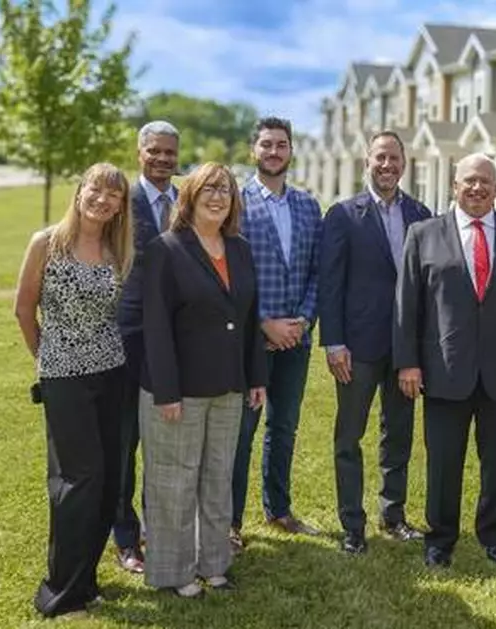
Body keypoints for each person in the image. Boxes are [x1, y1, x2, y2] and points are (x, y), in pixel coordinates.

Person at [394, 153, 496, 569]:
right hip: (445, 370)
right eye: (468, 182)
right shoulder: (423, 234)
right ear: (454, 187)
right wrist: (407, 363)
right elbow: (408, 306)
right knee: (443, 462)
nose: (477, 188)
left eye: (485, 182)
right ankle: (440, 539)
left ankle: (494, 536)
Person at [141, 163, 268, 597]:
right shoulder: (167, 248)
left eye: (226, 190)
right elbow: (155, 326)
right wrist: (166, 390)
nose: (218, 196)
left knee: (217, 478)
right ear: (190, 195)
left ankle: (214, 565)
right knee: (174, 481)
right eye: (209, 188)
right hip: (180, 389)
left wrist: (256, 377)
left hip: (229, 386)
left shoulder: (240, 249)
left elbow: (250, 319)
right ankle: (174, 572)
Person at [15, 163, 134, 617]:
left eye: (113, 195)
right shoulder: (46, 242)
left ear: (121, 205)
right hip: (64, 375)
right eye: (96, 189)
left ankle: (86, 582)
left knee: (107, 482)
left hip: (112, 371)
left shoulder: (114, 248)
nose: (103, 199)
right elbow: (24, 309)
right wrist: (44, 360)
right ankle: (60, 593)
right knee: (77, 480)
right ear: (80, 191)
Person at [319, 130, 432, 554]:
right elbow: (330, 284)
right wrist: (333, 342)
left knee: (398, 434)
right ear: (367, 160)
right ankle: (352, 525)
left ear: (405, 163)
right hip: (357, 347)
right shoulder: (343, 215)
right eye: (380, 157)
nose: (387, 165)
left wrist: (420, 348)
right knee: (349, 436)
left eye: (394, 158)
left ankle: (393, 514)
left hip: (405, 349)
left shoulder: (421, 214)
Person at [233, 116, 324, 548]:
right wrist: (264, 324)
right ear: (254, 150)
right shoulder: (234, 202)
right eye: (266, 144)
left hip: (296, 340)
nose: (274, 152)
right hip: (250, 340)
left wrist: (303, 321)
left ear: (291, 151)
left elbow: (317, 274)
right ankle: (230, 522)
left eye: (281, 144)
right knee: (241, 431)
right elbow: (228, 276)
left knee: (283, 427)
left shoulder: (309, 206)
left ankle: (279, 509)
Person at [113, 120, 181, 574]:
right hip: (128, 336)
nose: (162, 159)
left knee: (167, 439)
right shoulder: (123, 202)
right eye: (154, 151)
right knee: (125, 442)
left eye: (169, 153)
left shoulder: (185, 201)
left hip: (177, 338)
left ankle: (162, 528)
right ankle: (124, 536)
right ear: (140, 153)